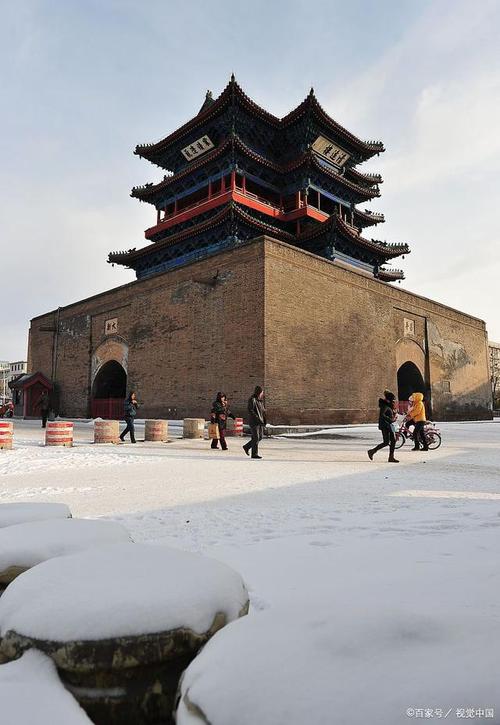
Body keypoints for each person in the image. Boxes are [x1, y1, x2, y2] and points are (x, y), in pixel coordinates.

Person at [367, 390, 399, 463]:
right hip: (385, 426)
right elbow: (382, 415)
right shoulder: (384, 406)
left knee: (392, 440)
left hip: (389, 425)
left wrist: (394, 414)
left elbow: (388, 414)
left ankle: (391, 457)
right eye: (393, 399)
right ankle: (372, 451)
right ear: (389, 399)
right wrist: (391, 419)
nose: (394, 401)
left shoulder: (388, 406)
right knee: (386, 442)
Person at [243, 385, 266, 459]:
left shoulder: (260, 401)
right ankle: (254, 454)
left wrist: (264, 420)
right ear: (259, 392)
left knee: (260, 437)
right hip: (254, 422)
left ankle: (246, 447)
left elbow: (263, 412)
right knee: (256, 437)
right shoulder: (252, 399)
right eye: (262, 392)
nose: (262, 393)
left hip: (260, 421)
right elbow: (251, 410)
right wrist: (257, 418)